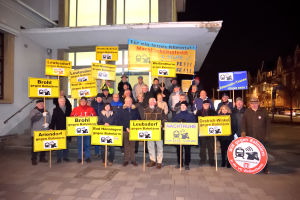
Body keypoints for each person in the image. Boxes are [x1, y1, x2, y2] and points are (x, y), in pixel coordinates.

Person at [241, 97, 271, 174]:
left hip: (261, 136)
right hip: (250, 136)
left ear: (258, 104)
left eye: (255, 103)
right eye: (252, 103)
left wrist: (267, 135)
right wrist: (243, 131)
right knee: (252, 153)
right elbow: (243, 122)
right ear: (250, 104)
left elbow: (268, 124)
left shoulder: (263, 111)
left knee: (262, 153)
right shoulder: (247, 111)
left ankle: (265, 168)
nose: (254, 105)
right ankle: (253, 167)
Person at [70, 97, 97, 163]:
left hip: (88, 129)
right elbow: (71, 117)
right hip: (79, 129)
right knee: (80, 144)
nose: (83, 102)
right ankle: (80, 157)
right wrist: (77, 117)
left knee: (87, 144)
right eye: (82, 101)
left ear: (86, 102)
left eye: (84, 101)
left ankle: (87, 157)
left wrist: (90, 117)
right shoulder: (76, 109)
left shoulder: (90, 109)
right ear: (80, 102)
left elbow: (95, 117)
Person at [144, 98, 167, 169]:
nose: (151, 103)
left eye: (152, 102)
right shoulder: (146, 110)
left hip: (158, 131)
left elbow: (165, 118)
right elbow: (143, 120)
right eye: (150, 102)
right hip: (149, 131)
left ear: (155, 103)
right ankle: (152, 160)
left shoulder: (160, 110)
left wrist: (162, 124)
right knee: (150, 146)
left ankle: (159, 162)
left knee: (159, 146)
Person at [173, 101, 196, 170]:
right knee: (179, 150)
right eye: (182, 105)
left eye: (184, 105)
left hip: (187, 136)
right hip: (179, 136)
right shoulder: (177, 115)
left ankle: (187, 164)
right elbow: (173, 124)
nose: (183, 106)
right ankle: (179, 163)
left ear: (186, 106)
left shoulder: (191, 114)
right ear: (180, 106)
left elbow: (194, 124)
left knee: (187, 150)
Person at [119, 97, 141, 166]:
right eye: (127, 101)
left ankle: (133, 160)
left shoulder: (135, 109)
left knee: (132, 146)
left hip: (133, 130)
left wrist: (138, 120)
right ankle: (126, 160)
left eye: (129, 101)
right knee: (126, 146)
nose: (128, 103)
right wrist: (126, 128)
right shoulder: (121, 110)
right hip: (125, 131)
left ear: (132, 102)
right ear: (125, 102)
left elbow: (139, 118)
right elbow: (119, 121)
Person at [49, 97, 71, 163]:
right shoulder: (55, 110)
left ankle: (65, 157)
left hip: (67, 129)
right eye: (61, 101)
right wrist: (51, 128)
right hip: (59, 129)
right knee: (59, 144)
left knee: (66, 144)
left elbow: (72, 117)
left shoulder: (69, 109)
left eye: (63, 101)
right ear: (58, 102)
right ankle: (59, 158)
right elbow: (53, 120)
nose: (62, 102)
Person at [196, 100, 217, 166]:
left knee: (211, 146)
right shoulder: (199, 112)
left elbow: (216, 120)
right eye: (205, 104)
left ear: (209, 105)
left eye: (207, 104)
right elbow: (196, 120)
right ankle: (202, 159)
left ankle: (211, 160)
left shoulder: (213, 112)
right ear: (203, 105)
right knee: (202, 146)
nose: (206, 105)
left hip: (211, 131)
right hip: (202, 131)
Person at [30, 99, 51, 165]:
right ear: (37, 104)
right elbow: (33, 119)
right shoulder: (33, 111)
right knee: (35, 146)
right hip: (36, 131)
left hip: (44, 131)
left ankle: (42, 157)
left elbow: (50, 118)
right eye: (40, 103)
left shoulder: (46, 111)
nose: (42, 105)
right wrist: (42, 115)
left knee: (43, 145)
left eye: (43, 103)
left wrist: (48, 124)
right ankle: (34, 159)